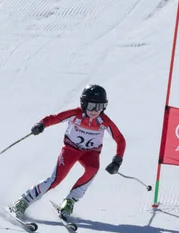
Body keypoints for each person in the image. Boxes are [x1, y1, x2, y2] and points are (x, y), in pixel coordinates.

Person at [8, 84, 126, 219]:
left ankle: (69, 201)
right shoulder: (75, 114)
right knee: (56, 180)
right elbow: (55, 118)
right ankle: (23, 201)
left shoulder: (104, 121)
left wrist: (117, 160)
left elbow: (120, 139)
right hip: (71, 150)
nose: (94, 111)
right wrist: (41, 124)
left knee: (92, 169)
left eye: (99, 107)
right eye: (91, 106)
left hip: (91, 153)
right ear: (83, 104)